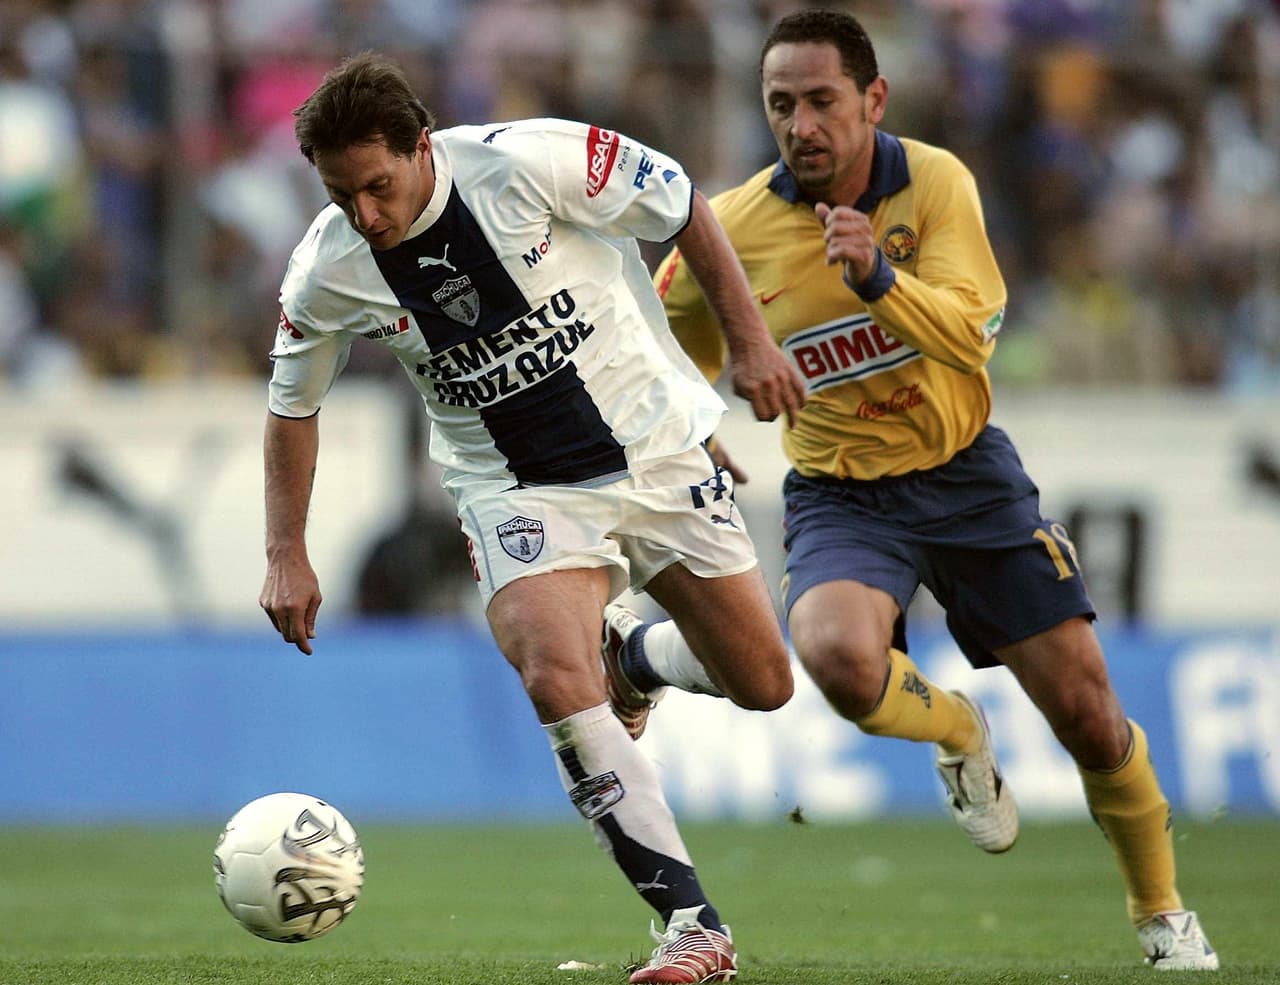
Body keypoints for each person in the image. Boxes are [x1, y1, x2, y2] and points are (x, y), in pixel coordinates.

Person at [630, 8, 1219, 971]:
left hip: (968, 476)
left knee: (1088, 713)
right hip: (841, 491)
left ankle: (1163, 914)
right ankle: (961, 730)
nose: (801, 125)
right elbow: (654, 354)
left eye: (822, 101)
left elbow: (973, 333)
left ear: (872, 100)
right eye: (781, 105)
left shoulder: (937, 183)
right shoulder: (729, 229)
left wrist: (875, 277)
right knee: (836, 660)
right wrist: (698, 419)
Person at [257, 52, 807, 985]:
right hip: (514, 491)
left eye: (380, 186)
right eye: (345, 195)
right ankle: (692, 928)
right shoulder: (328, 267)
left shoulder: (533, 162)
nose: (368, 214)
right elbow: (291, 405)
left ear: (421, 147)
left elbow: (682, 206)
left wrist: (749, 345)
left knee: (763, 682)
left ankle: (632, 657)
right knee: (552, 669)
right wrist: (285, 552)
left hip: (655, 449)